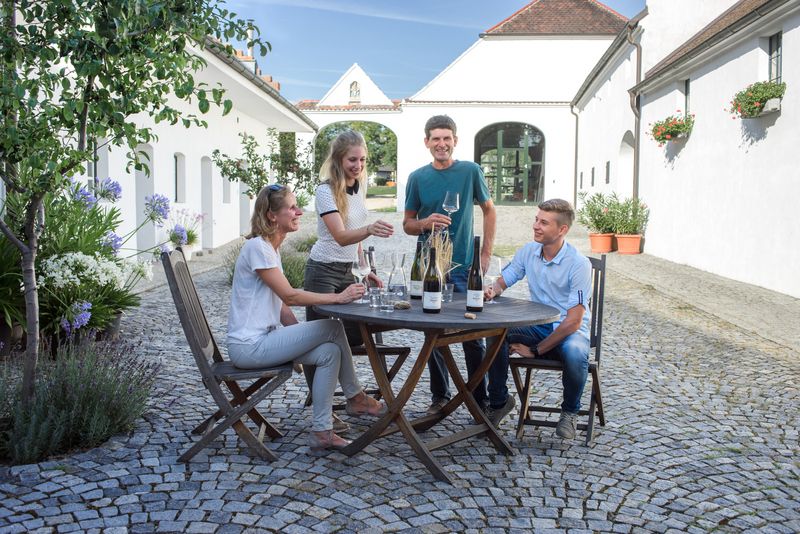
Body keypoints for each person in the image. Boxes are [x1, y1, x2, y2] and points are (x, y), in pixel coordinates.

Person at [227, 184, 386, 452]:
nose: (299, 211)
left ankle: (322, 431)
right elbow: (290, 297)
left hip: (264, 341)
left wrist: (301, 340)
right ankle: (356, 397)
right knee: (333, 327)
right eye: (291, 207)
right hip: (249, 346)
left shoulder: (269, 249)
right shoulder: (258, 248)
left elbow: (281, 307)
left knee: (327, 353)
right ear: (271, 216)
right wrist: (338, 297)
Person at [403, 114, 501, 417]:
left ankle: (478, 399)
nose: (441, 144)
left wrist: (484, 255)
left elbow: (489, 211)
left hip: (462, 267)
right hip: (429, 267)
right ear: (427, 142)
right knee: (434, 336)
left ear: (455, 141)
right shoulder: (417, 177)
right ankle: (440, 397)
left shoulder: (470, 171)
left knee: (473, 334)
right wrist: (424, 223)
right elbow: (407, 224)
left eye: (447, 138)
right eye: (436, 139)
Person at [302, 131, 394, 432]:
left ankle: (353, 399)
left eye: (363, 160)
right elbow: (340, 235)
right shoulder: (325, 191)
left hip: (345, 272)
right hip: (322, 271)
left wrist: (363, 268)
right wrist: (369, 229)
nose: (358, 165)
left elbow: (351, 239)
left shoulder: (358, 187)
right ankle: (324, 412)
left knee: (346, 335)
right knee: (319, 339)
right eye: (352, 159)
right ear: (339, 160)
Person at [484, 199, 592, 438]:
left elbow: (574, 321)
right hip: (538, 327)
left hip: (568, 332)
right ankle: (499, 402)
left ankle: (569, 413)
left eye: (544, 222)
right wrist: (493, 289)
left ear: (562, 230)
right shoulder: (529, 251)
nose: (536, 226)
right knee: (494, 334)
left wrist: (536, 350)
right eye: (536, 219)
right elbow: (505, 278)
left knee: (576, 352)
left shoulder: (578, 264)